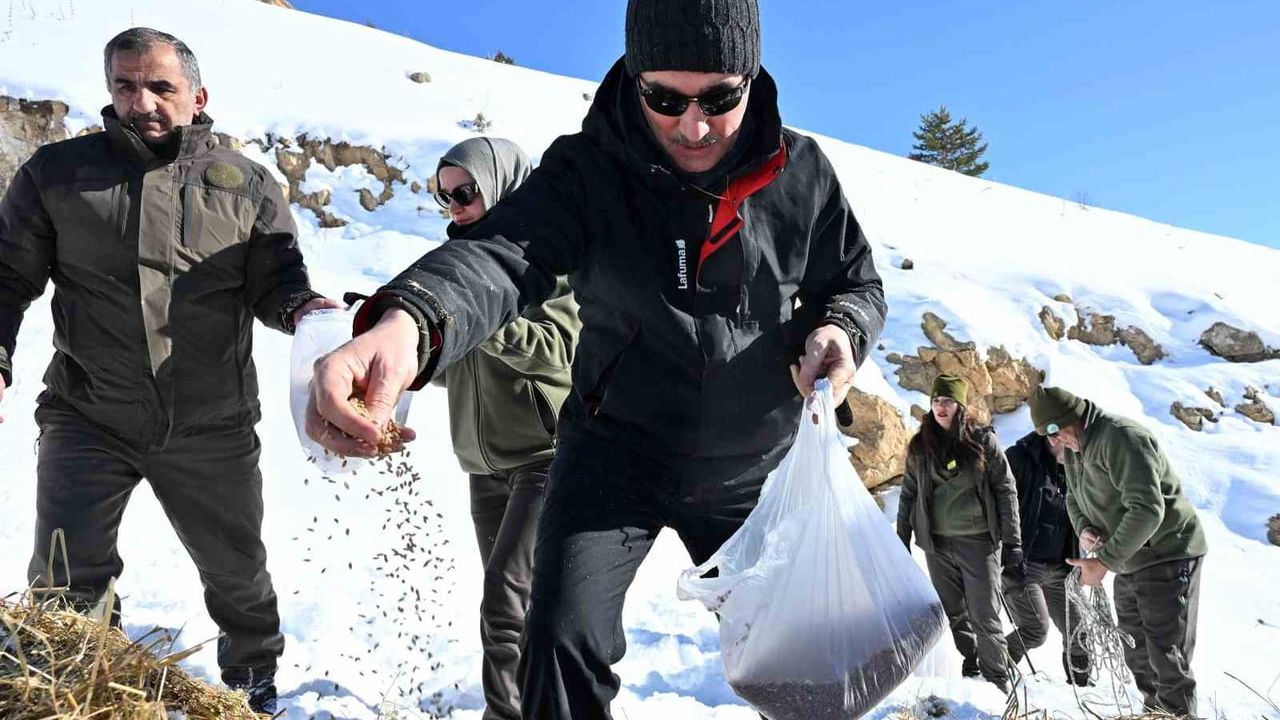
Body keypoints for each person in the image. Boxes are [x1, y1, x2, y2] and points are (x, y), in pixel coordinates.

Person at [305, 0, 887, 715]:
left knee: (806, 663)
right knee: (557, 642)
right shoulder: (587, 169)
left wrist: (841, 330)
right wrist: (408, 323)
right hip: (615, 451)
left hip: (751, 467)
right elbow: (502, 255)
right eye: (665, 99)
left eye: (719, 99)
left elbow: (855, 283)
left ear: (751, 77)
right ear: (635, 78)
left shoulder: (801, 173)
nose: (693, 126)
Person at [0, 27, 340, 714]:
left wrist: (304, 309)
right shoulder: (57, 174)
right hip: (89, 414)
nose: (142, 102)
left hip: (211, 423)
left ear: (197, 95)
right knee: (65, 574)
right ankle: (71, 688)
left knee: (237, 573)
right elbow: (8, 275)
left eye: (161, 86)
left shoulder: (247, 184)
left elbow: (276, 283)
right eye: (125, 86)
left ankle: (252, 684)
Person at [432, 137, 580, 720]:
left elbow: (558, 349)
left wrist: (482, 322)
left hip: (543, 457)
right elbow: (460, 371)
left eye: (465, 192)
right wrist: (409, 346)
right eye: (445, 197)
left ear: (499, 184)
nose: (455, 206)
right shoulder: (456, 265)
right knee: (524, 608)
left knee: (505, 603)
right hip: (484, 465)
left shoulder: (545, 258)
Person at [1031, 387, 1208, 717]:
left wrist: (1104, 561)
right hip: (1129, 558)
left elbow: (1147, 510)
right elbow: (1073, 497)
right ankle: (1155, 715)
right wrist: (1085, 527)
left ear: (1072, 417)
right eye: (1047, 436)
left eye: (1054, 431)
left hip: (1167, 553)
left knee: (1166, 657)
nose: (1054, 441)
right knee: (1137, 653)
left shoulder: (1121, 438)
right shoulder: (1074, 448)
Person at [897, 375, 1021, 692]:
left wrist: (1013, 543)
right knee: (954, 612)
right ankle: (972, 659)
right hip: (937, 545)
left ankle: (998, 681)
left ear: (961, 406)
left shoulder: (982, 442)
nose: (941, 407)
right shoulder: (920, 446)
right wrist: (901, 539)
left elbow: (1006, 490)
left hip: (979, 543)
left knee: (985, 614)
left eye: (948, 402)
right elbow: (908, 494)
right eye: (936, 401)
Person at [1001, 430, 1092, 685]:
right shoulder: (1019, 458)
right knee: (1035, 629)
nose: (1076, 448)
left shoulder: (1078, 467)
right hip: (1023, 565)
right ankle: (994, 672)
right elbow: (994, 501)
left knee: (1079, 631)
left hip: (1062, 566)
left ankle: (1082, 688)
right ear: (1053, 436)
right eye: (1071, 442)